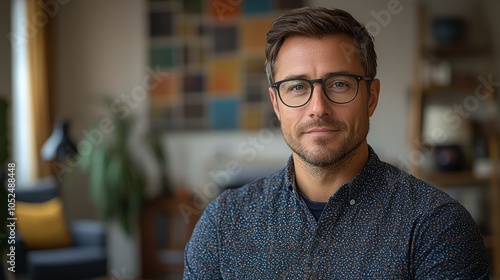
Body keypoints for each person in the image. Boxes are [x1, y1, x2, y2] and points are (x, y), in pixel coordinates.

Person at [183, 6, 489, 279]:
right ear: (276, 103)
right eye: (297, 87)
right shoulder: (223, 224)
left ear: (371, 97)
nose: (318, 107)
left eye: (339, 84)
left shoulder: (437, 226)